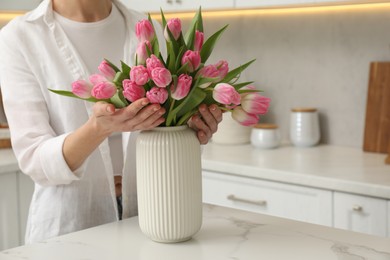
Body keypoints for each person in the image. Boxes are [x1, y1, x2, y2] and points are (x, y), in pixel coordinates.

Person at [0, 0, 222, 244]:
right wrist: (98, 129)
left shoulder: (149, 27)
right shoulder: (18, 38)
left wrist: (191, 128)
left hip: (152, 215)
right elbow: (35, 160)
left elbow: (165, 126)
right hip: (71, 226)